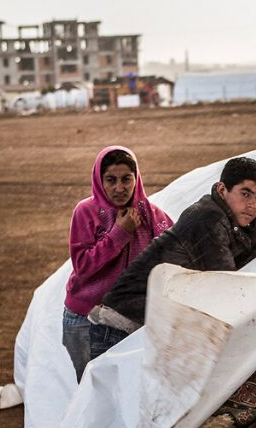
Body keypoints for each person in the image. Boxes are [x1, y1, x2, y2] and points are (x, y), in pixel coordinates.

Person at [88, 156, 256, 358]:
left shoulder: (221, 218)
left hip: (136, 328)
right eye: (246, 193)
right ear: (222, 190)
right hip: (120, 329)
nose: (251, 205)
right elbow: (227, 282)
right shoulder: (208, 218)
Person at [62, 146, 173, 382]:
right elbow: (83, 266)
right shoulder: (87, 212)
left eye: (126, 179)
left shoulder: (152, 216)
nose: (119, 188)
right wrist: (120, 233)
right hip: (85, 320)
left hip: (131, 321)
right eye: (111, 180)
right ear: (99, 180)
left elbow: (173, 253)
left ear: (137, 178)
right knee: (93, 394)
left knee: (127, 392)